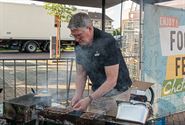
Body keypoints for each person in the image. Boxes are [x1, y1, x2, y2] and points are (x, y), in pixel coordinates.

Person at [68, 12, 132, 116]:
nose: (76, 39)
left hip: (118, 94)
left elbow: (111, 81)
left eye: (79, 35)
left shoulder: (107, 41)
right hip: (97, 93)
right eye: (73, 36)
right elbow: (81, 73)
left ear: (89, 28)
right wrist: (78, 95)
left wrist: (89, 99)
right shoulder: (78, 44)